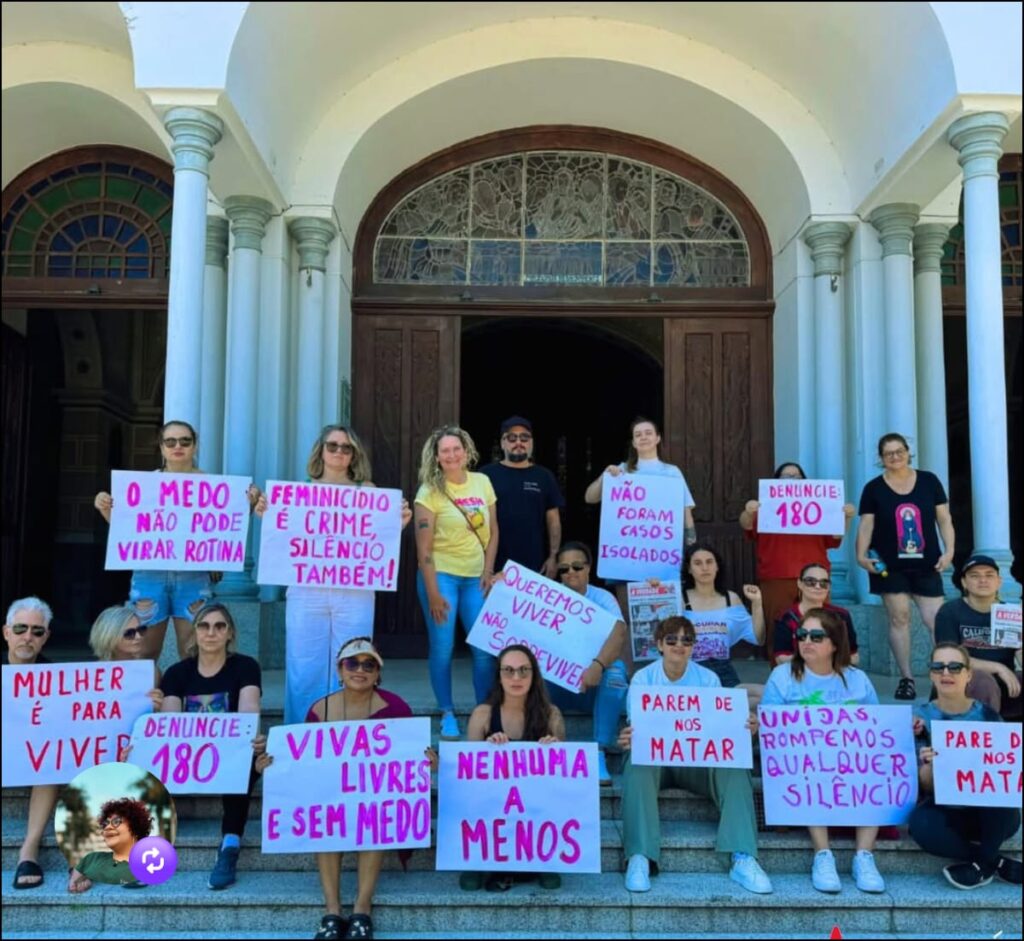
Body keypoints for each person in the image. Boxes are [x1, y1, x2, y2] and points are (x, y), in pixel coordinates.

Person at [257, 637, 415, 940]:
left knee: (375, 820)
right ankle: (332, 911)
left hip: (371, 797)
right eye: (352, 663)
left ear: (378, 673)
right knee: (324, 820)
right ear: (340, 670)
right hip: (333, 797)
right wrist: (270, 765)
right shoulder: (320, 709)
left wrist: (427, 761)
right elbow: (302, 762)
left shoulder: (396, 708)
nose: (360, 670)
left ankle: (362, 909)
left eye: (368, 665)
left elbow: (409, 756)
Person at [257, 424, 411, 725]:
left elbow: (379, 538)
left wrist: (398, 524)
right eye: (333, 445)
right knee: (303, 665)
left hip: (354, 591)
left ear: (354, 455)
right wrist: (268, 515)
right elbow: (286, 538)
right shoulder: (299, 492)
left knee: (354, 662)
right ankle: (300, 734)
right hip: (307, 589)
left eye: (346, 447)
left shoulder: (368, 491)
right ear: (321, 451)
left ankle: (345, 735)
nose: (339, 452)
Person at [619, 616, 772, 896]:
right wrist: (630, 737)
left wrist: (744, 729)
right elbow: (639, 729)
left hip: (698, 763)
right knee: (636, 761)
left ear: (693, 647)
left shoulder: (708, 679)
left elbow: (719, 728)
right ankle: (640, 855)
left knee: (735, 766)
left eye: (687, 640)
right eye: (672, 639)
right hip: (657, 762)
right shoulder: (643, 679)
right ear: (659, 645)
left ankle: (742, 856)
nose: (679, 645)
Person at [94, 419, 261, 661]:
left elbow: (226, 527)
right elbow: (127, 529)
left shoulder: (215, 487)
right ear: (161, 447)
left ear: (195, 446)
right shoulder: (143, 486)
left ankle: (188, 689)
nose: (178, 446)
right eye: (170, 441)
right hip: (150, 575)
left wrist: (247, 504)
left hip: (193, 576)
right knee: (143, 653)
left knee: (193, 653)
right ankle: (149, 689)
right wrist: (104, 507)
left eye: (185, 441)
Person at [760, 608, 886, 894]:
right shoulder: (783, 676)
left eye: (816, 636)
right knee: (811, 767)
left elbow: (877, 727)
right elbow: (771, 728)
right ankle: (823, 854)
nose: (806, 641)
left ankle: (864, 856)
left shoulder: (857, 679)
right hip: (801, 759)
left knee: (875, 768)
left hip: (851, 760)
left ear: (835, 643)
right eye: (802, 635)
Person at [157, 602, 265, 890]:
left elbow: (248, 712)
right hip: (188, 756)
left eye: (220, 626)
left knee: (246, 758)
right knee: (153, 760)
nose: (211, 632)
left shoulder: (246, 667)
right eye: (204, 626)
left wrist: (251, 740)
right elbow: (169, 724)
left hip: (229, 754)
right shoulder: (177, 673)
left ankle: (230, 844)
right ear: (194, 632)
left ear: (230, 633)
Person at [908, 642, 1022, 889]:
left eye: (954, 667)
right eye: (938, 667)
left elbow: (1003, 774)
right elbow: (925, 785)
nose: (945, 673)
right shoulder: (917, 719)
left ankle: (983, 864)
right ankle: (993, 862)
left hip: (988, 811)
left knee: (1004, 807)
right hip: (945, 810)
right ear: (931, 674)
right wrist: (930, 766)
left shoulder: (988, 716)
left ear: (969, 674)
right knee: (921, 826)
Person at [414, 425, 498, 738]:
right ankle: (447, 712)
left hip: (476, 578)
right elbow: (423, 549)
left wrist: (488, 570)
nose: (451, 455)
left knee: (483, 649)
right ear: (436, 457)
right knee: (443, 647)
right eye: (445, 451)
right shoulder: (429, 491)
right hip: (442, 577)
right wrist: (433, 593)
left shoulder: (482, 482)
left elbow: (494, 530)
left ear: (466, 451)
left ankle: (484, 712)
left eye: (456, 449)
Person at [856, 432, 955, 700]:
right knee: (899, 618)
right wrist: (861, 555)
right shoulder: (873, 488)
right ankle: (907, 678)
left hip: (927, 563)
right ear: (881, 458)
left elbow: (944, 519)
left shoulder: (929, 481)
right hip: (890, 565)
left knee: (936, 621)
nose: (895, 457)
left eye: (899, 451)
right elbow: (866, 524)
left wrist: (949, 551)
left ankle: (944, 677)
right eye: (889, 453)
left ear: (908, 452)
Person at [461, 645, 566, 892]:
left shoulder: (552, 715)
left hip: (535, 803)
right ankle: (475, 857)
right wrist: (487, 750)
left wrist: (554, 748)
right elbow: (467, 777)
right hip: (493, 800)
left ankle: (546, 856)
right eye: (508, 670)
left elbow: (564, 775)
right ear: (498, 675)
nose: (516, 677)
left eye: (523, 670)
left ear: (534, 675)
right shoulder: (482, 715)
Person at [739, 461, 855, 652]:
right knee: (778, 626)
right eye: (786, 476)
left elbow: (836, 536)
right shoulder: (765, 507)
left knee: (819, 625)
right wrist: (748, 511)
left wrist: (847, 517)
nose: (792, 480)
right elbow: (747, 525)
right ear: (776, 481)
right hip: (777, 576)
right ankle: (780, 667)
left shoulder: (819, 507)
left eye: (797, 477)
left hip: (815, 578)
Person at [545, 541, 628, 785]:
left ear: (589, 568)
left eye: (577, 566)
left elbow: (619, 633)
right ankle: (545, 750)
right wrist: (503, 583)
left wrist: (598, 666)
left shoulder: (603, 598)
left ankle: (599, 751)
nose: (570, 572)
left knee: (616, 674)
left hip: (592, 684)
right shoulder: (546, 596)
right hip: (555, 686)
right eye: (564, 569)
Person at [5, 597, 59, 890]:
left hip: (35, 760)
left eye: (37, 631)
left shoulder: (59, 679)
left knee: (53, 760)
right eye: (20, 628)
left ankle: (29, 850)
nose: (28, 637)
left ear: (45, 637)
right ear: (6, 632)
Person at [584, 416, 697, 554]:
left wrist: (691, 546)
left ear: (658, 438)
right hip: (628, 548)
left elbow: (685, 511)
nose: (643, 437)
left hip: (663, 548)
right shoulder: (621, 470)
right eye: (638, 435)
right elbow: (590, 498)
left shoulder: (672, 472)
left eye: (648, 433)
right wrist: (605, 476)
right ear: (633, 443)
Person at [935, 554, 1021, 719]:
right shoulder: (949, 612)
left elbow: (1019, 652)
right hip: (961, 678)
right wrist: (999, 668)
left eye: (989, 575)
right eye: (975, 576)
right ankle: (984, 731)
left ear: (999, 582)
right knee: (983, 681)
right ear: (964, 582)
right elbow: (950, 658)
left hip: (1005, 680)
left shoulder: (1010, 613)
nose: (983, 580)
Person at [479, 415, 564, 577]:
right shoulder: (485, 475)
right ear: (502, 443)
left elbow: (553, 521)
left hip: (535, 563)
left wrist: (554, 556)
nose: (519, 442)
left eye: (524, 438)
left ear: (531, 443)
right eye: (512, 438)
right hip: (492, 562)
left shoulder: (544, 476)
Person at [681, 543, 764, 688]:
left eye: (709, 562)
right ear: (689, 569)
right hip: (688, 670)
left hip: (723, 669)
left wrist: (757, 603)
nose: (705, 568)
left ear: (717, 566)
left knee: (753, 696)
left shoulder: (730, 598)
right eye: (698, 563)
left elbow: (759, 639)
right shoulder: (679, 599)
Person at [773, 563, 860, 665]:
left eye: (824, 583)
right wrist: (819, 661)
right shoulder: (786, 617)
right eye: (811, 582)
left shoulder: (841, 616)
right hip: (797, 672)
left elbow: (854, 656)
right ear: (800, 584)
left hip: (834, 672)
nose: (818, 587)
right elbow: (781, 658)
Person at [67, 798, 152, 891]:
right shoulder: (92, 858)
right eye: (105, 824)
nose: (107, 827)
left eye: (116, 821)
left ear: (136, 829)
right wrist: (81, 878)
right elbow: (74, 877)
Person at [88, 604, 164, 705]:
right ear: (109, 636)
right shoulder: (91, 675)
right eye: (129, 633)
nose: (138, 637)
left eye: (141, 630)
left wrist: (157, 706)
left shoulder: (150, 672)